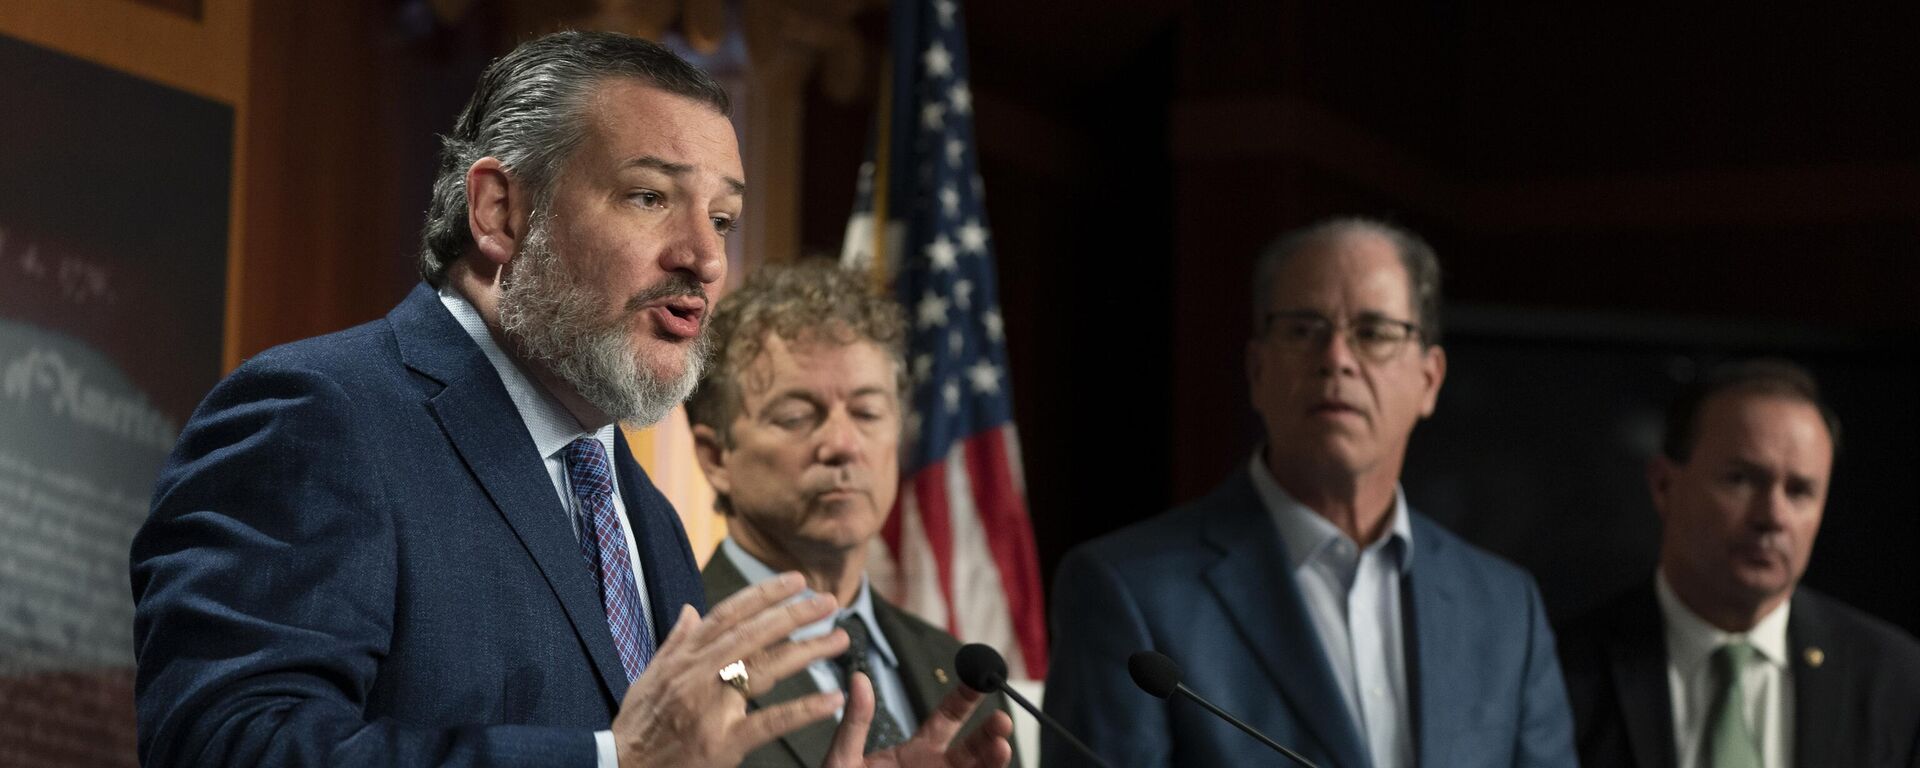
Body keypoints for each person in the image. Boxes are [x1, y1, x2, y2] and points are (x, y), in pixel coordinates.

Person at [130, 31, 1010, 768]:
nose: (704, 258)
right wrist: (608, 762)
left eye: (725, 219)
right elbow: (227, 745)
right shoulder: (321, 418)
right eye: (649, 196)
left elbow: (679, 738)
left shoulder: (650, 520)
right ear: (501, 212)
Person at [1043, 217, 1577, 768]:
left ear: (1429, 379)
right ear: (1256, 370)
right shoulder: (1127, 591)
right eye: (1303, 330)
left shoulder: (1507, 608)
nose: (1336, 358)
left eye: (1373, 333)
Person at [683, 262, 1016, 768]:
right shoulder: (672, 653)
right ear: (715, 457)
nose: (842, 445)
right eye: (796, 416)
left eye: (867, 413)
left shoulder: (961, 670)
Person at [1557, 360, 1920, 767]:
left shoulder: (1894, 679)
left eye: (1799, 491)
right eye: (1741, 479)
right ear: (1663, 486)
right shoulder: (1564, 672)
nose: (1773, 517)